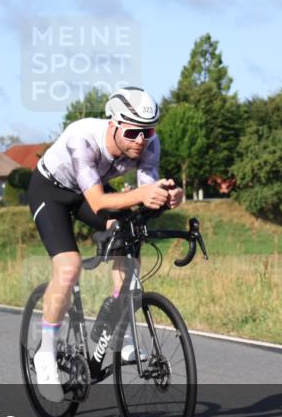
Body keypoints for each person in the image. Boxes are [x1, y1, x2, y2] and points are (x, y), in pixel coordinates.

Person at [27, 87, 184, 400]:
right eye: (133, 132)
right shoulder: (82, 137)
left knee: (130, 231)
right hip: (52, 191)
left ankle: (121, 330)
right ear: (113, 124)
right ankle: (45, 353)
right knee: (69, 266)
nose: (141, 140)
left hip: (90, 190)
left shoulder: (149, 145)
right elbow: (98, 202)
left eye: (148, 131)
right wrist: (141, 195)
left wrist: (167, 196)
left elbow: (146, 191)